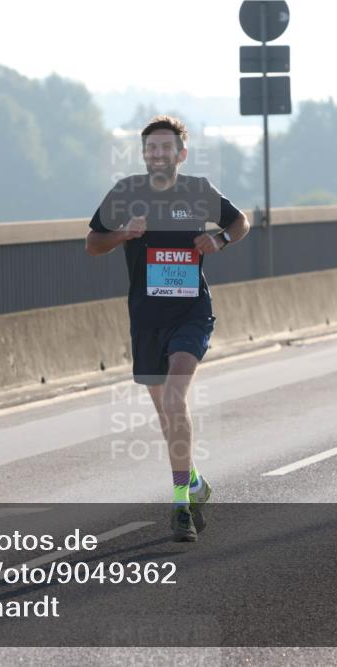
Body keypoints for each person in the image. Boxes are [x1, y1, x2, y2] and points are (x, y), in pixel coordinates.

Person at [85, 116, 250, 542]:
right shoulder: (126, 194)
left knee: (176, 396)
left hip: (191, 312)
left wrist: (220, 241)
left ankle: (180, 504)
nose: (158, 155)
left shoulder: (198, 191)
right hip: (146, 317)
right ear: (144, 154)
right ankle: (194, 481)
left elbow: (240, 221)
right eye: (151, 148)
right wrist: (124, 233)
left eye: (166, 148)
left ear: (182, 154)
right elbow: (92, 244)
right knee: (166, 411)